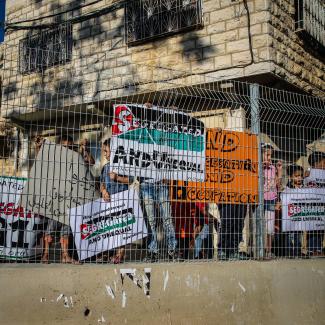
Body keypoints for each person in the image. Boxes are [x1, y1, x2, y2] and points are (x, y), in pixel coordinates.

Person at [41, 135, 94, 264]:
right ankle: (45, 254)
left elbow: (91, 162)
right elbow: (41, 163)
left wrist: (85, 149)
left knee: (66, 228)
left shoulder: (75, 159)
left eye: (70, 147)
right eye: (64, 147)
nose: (67, 149)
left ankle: (65, 255)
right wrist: (40, 148)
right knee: (51, 227)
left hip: (70, 199)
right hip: (56, 199)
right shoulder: (55, 159)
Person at [99, 138, 132, 263]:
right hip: (109, 201)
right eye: (104, 152)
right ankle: (108, 253)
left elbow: (131, 180)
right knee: (110, 228)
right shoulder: (105, 168)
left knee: (121, 228)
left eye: (106, 151)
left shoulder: (124, 165)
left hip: (122, 200)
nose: (105, 154)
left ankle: (120, 254)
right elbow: (101, 183)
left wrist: (118, 177)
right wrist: (103, 191)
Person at [262, 143, 283, 259]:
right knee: (259, 225)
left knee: (270, 227)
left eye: (271, 155)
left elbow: (278, 186)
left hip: (270, 200)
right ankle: (258, 250)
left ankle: (268, 251)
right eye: (267, 155)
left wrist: (279, 172)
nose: (269, 158)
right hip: (259, 201)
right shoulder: (257, 166)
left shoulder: (273, 168)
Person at [282, 164, 305, 257]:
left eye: (301, 176)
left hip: (299, 216)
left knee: (298, 234)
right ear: (290, 177)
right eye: (296, 176)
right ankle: (288, 253)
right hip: (289, 217)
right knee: (289, 235)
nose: (299, 178)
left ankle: (297, 251)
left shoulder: (304, 188)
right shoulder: (287, 189)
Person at [305, 151, 325, 257]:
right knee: (313, 227)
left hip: (321, 205)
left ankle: (318, 248)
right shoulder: (309, 173)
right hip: (313, 205)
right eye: (323, 163)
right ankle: (312, 250)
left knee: (320, 228)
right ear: (316, 163)